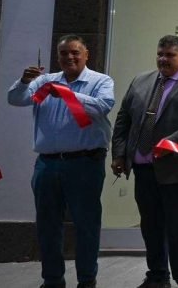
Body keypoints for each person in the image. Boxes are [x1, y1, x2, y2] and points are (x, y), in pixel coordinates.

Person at [111, 35, 178, 288]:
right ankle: (157, 276)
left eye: (170, 55)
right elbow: (124, 118)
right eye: (160, 54)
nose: (163, 59)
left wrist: (170, 143)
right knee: (151, 226)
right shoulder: (141, 81)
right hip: (143, 168)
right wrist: (119, 153)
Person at [7, 35, 115, 288]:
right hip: (47, 164)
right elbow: (15, 99)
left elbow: (102, 107)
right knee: (47, 225)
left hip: (85, 163)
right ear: (58, 56)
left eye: (75, 53)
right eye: (64, 53)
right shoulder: (44, 82)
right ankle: (52, 280)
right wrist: (24, 81)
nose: (70, 57)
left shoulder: (100, 81)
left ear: (86, 54)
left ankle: (87, 279)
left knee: (86, 224)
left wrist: (67, 94)